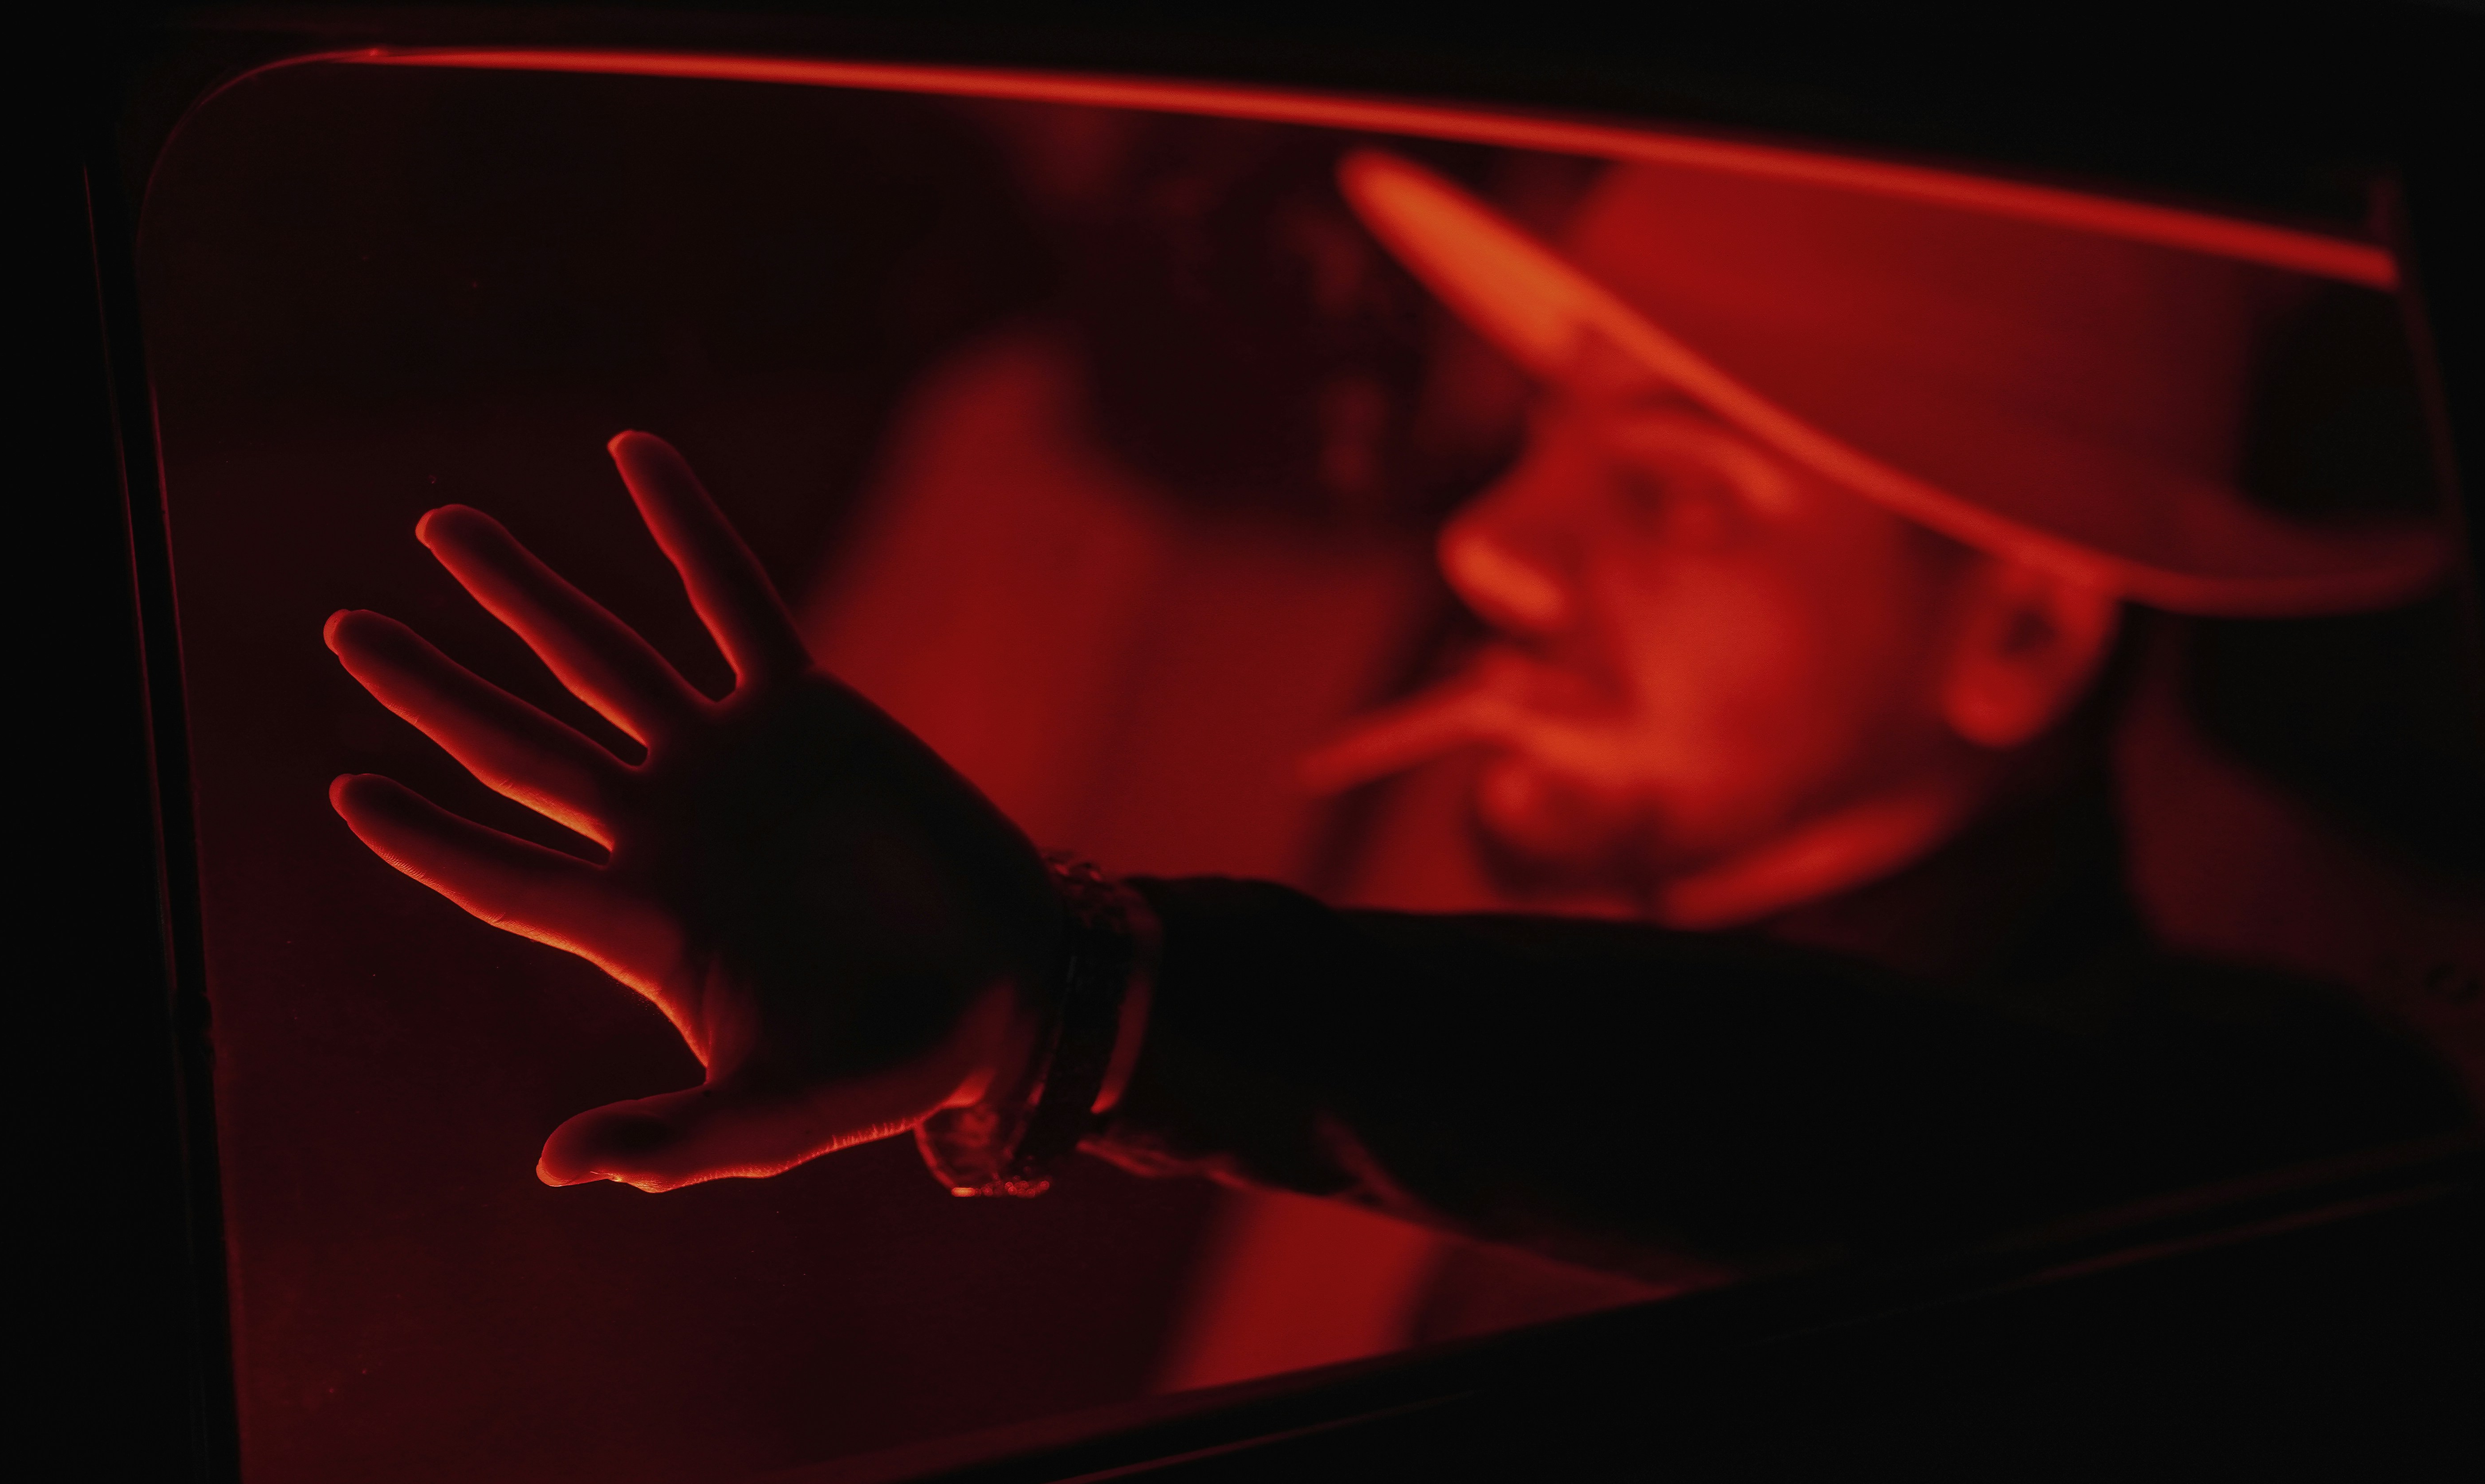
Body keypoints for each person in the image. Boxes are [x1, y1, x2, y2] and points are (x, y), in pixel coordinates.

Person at [322, 151, 2470, 1287]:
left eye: (1672, 488)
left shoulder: (2289, 1165)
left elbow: (1926, 1159)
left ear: (2014, 632)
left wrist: (1101, 1009)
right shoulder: (1458, 1030)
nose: (1494, 556)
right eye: (1544, 439)